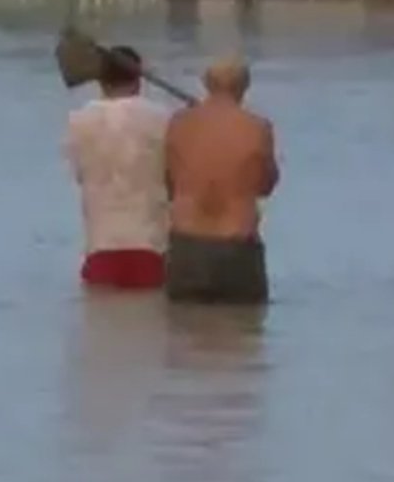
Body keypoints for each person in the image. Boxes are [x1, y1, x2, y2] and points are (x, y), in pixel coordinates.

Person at [164, 57, 278, 304]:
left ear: (205, 83)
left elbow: (170, 183)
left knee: (184, 337)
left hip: (187, 245)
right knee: (242, 335)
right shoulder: (258, 127)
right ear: (245, 86)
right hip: (237, 245)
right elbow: (266, 186)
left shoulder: (178, 123)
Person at [64, 46, 170, 289]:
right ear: (139, 80)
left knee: (101, 321)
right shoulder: (162, 118)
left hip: (101, 247)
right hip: (151, 246)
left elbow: (81, 175)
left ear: (100, 80)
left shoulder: (78, 121)